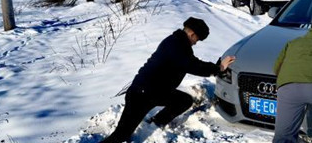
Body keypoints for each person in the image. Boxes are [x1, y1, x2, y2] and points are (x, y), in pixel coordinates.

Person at [101, 17, 236, 143]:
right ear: (192, 34)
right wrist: (219, 67)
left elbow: (192, 62)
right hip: (141, 94)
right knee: (121, 135)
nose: (196, 43)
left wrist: (215, 67)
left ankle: (156, 123)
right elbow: (193, 65)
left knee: (183, 100)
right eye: (198, 39)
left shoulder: (177, 42)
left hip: (155, 91)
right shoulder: (177, 45)